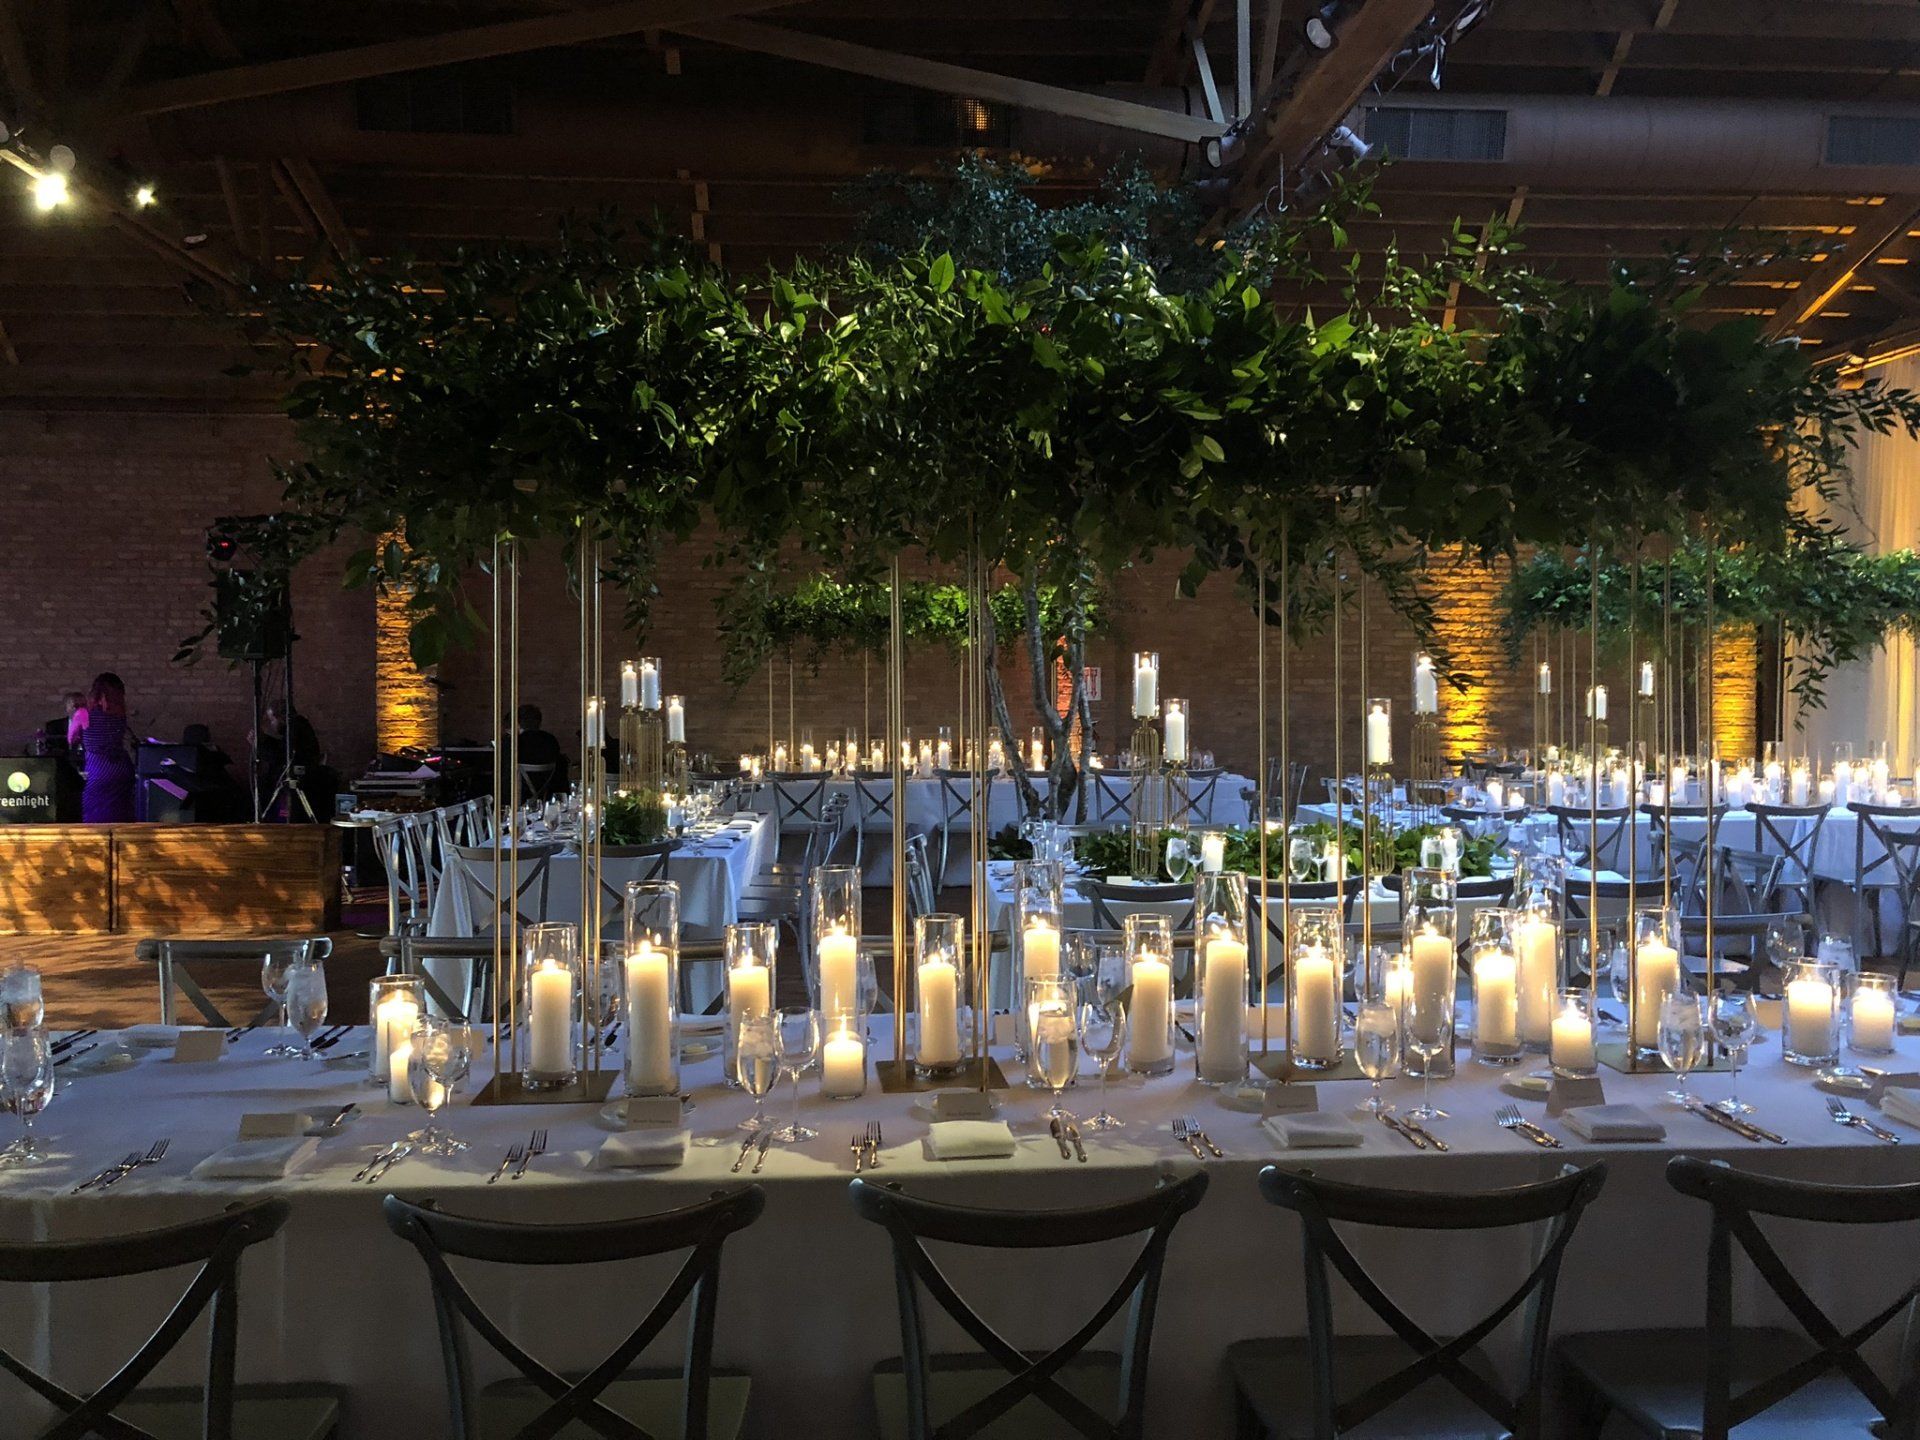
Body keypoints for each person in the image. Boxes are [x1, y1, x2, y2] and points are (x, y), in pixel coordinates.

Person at [66, 673, 136, 823]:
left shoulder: (83, 713)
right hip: (122, 767)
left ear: (94, 691)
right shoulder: (120, 714)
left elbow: (71, 739)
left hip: (99, 768)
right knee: (122, 816)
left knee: (94, 816)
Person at [515, 704, 567, 798]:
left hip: (521, 794)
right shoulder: (550, 740)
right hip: (548, 792)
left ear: (518, 722)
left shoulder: (515, 742)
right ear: (539, 722)